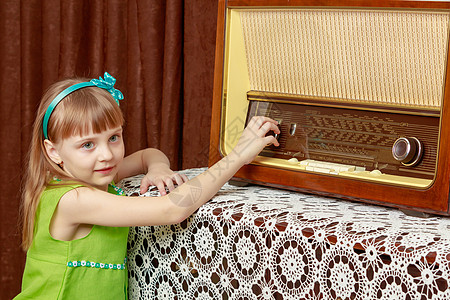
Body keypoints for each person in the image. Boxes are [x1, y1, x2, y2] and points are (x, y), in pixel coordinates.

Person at [14, 72, 280, 299]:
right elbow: (172, 210)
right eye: (87, 145)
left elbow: (147, 154)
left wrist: (158, 168)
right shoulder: (74, 200)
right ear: (53, 151)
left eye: (114, 137)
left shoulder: (92, 175)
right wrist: (237, 157)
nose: (106, 154)